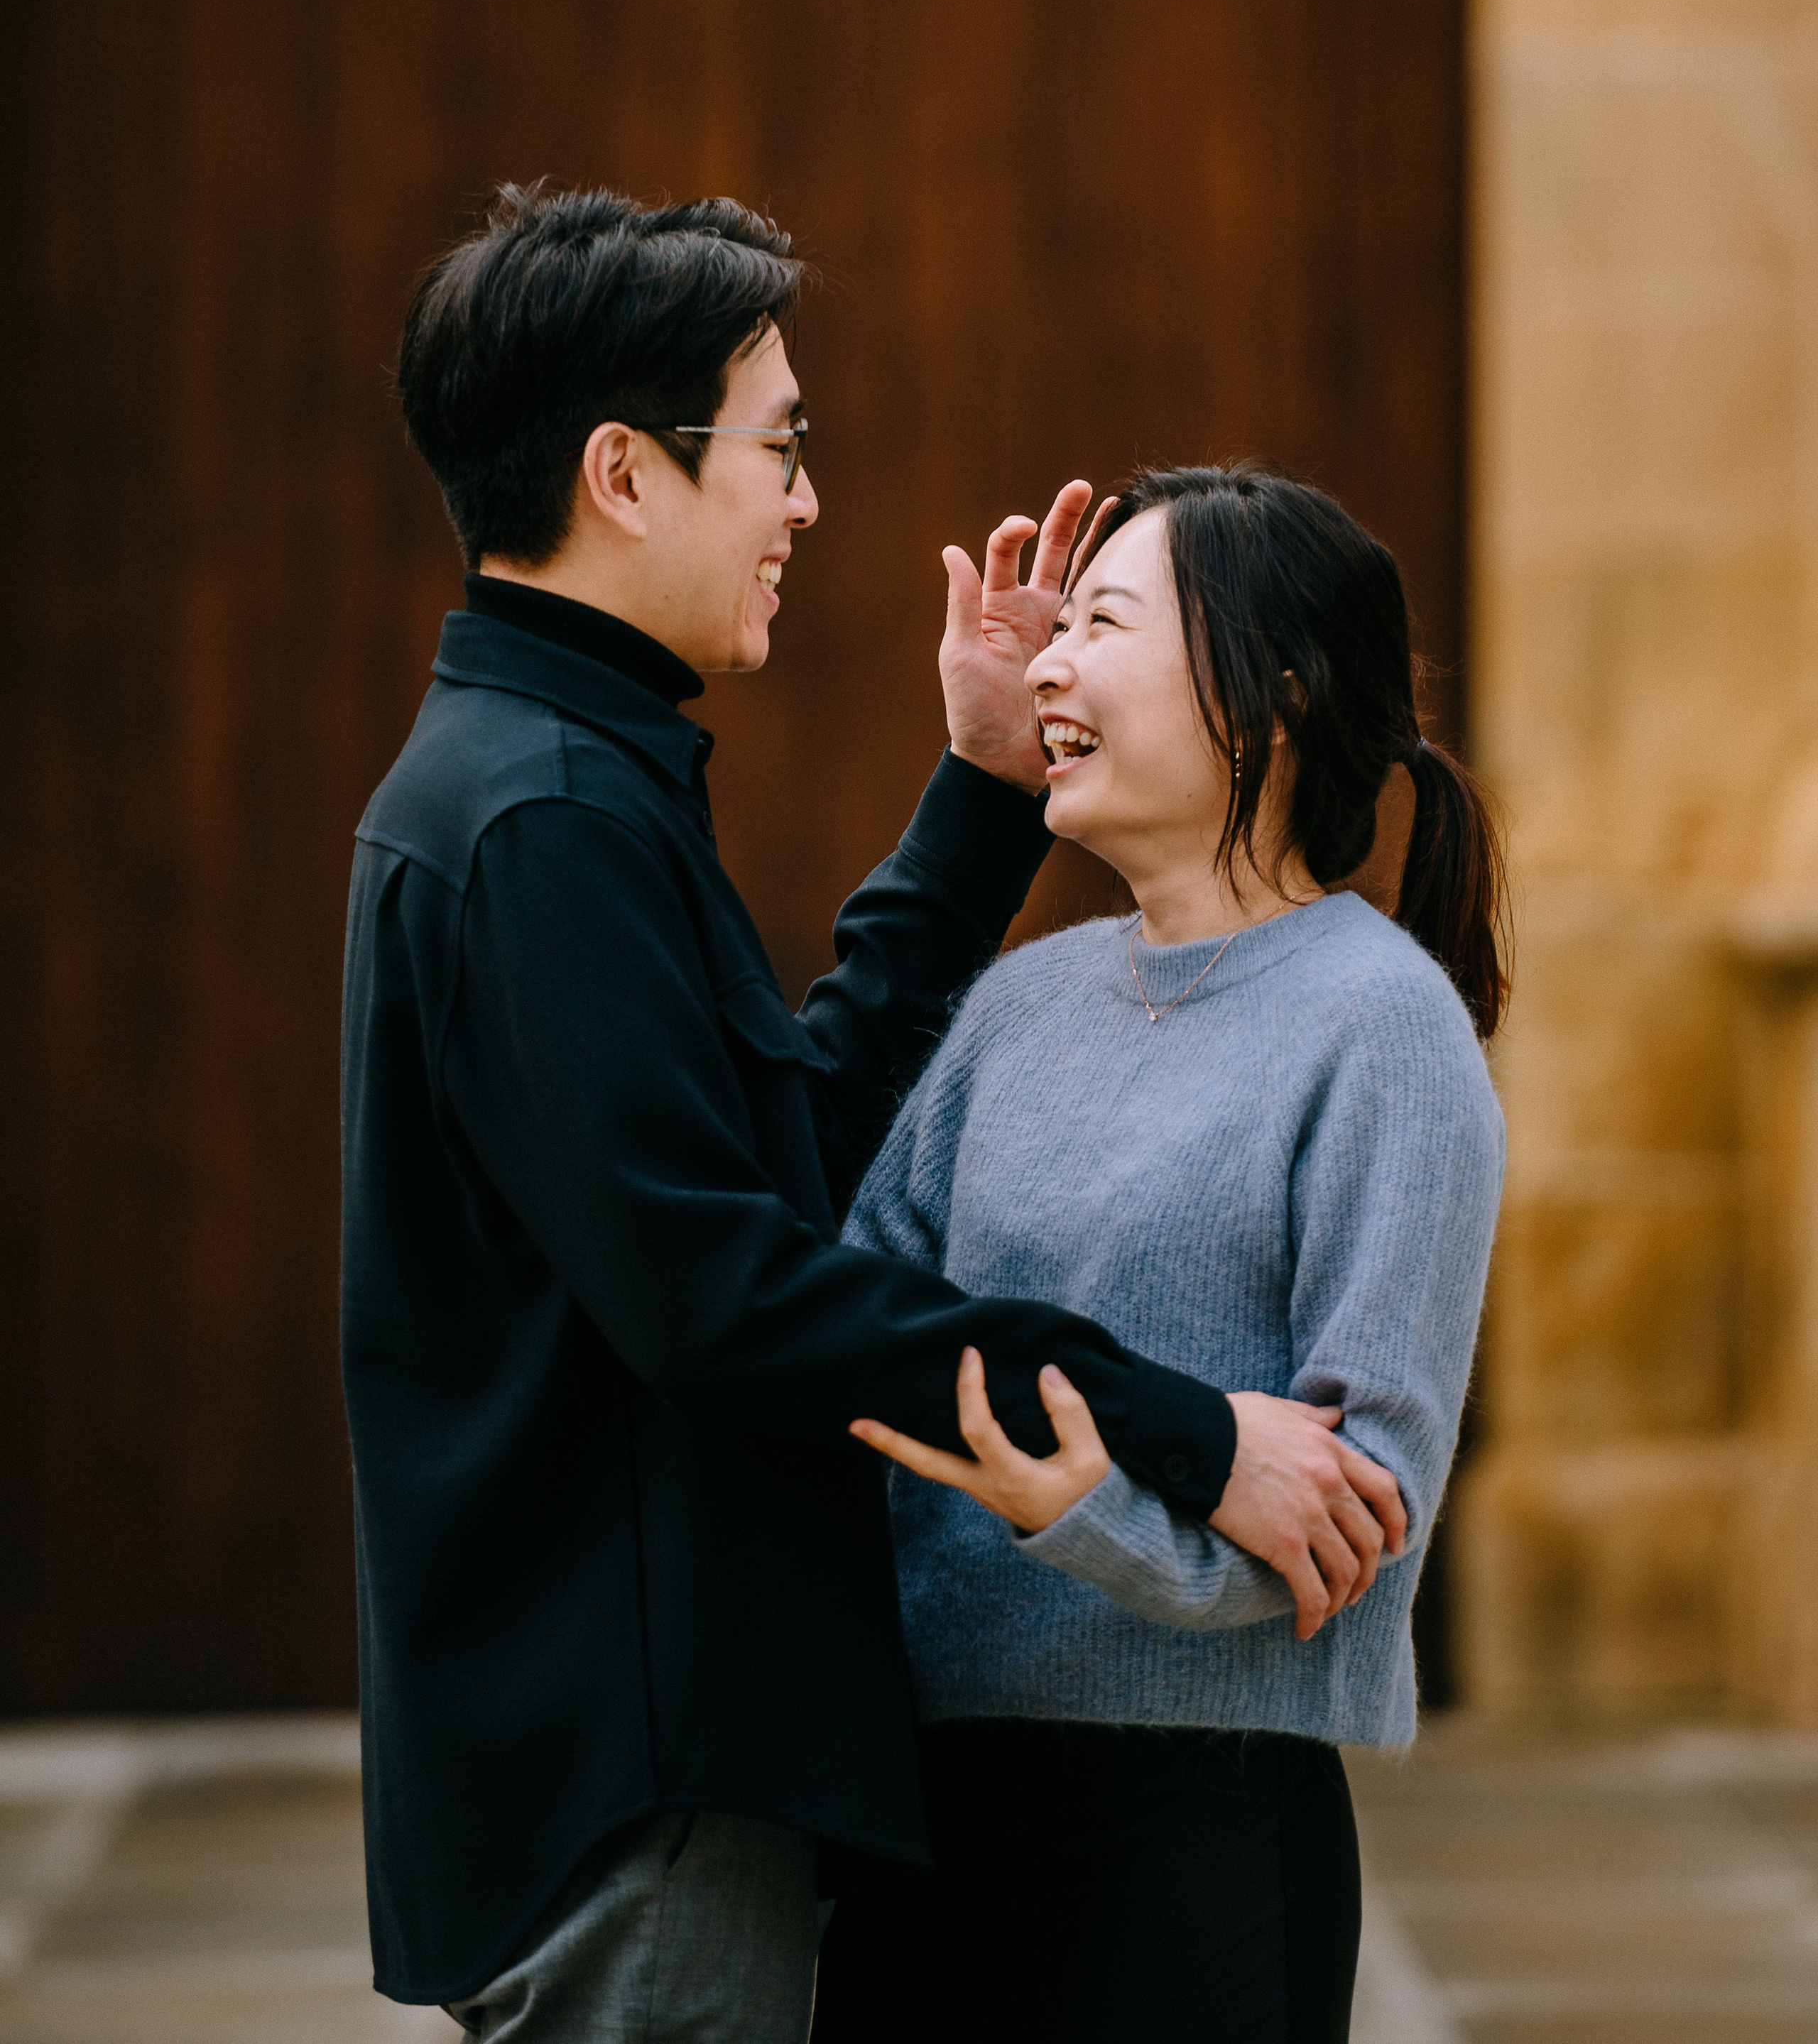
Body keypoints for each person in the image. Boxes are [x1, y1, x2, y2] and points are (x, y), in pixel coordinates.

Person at [340, 192, 1405, 2040]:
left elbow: (788, 1169)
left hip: (670, 1765)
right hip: (633, 1785)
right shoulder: (542, 820)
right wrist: (1179, 1431)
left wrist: (984, 794)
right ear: (623, 471)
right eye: (780, 443)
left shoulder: (575, 780)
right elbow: (737, 1295)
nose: (808, 502)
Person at [813, 464, 1508, 2044]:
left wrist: (1096, 1515)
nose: (1043, 666)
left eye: (1097, 624)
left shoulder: (1380, 1028)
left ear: (1266, 695)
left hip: (1192, 1836)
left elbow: (1362, 1504)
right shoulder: (1015, 1006)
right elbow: (856, 1316)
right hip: (926, 1814)